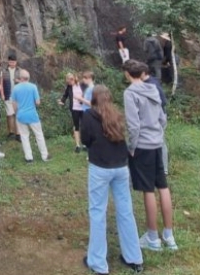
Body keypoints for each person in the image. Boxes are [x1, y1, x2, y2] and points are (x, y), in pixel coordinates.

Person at [81, 85, 144, 274]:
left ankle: (98, 264)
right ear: (109, 98)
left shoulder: (89, 116)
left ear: (93, 98)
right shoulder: (117, 115)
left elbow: (85, 140)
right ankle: (134, 258)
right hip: (121, 168)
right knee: (126, 211)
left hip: (100, 168)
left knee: (98, 213)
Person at [123, 60, 178, 252]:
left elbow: (133, 125)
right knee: (163, 186)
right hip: (157, 144)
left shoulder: (130, 93)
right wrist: (157, 135)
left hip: (143, 147)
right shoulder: (153, 89)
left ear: (128, 74)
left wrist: (132, 147)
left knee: (148, 190)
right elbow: (163, 118)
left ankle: (153, 238)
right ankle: (169, 237)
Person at [10, 69, 49, 163]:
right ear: (28, 77)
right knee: (39, 135)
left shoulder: (15, 88)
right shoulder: (33, 87)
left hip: (21, 115)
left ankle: (29, 158)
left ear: (20, 78)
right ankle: (45, 156)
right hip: (32, 115)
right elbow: (38, 102)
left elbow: (14, 103)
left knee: (24, 136)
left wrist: (16, 112)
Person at [142, 67, 169, 175]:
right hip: (154, 116)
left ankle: (163, 169)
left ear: (143, 73)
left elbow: (162, 102)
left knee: (160, 141)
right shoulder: (149, 82)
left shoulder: (152, 84)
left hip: (158, 116)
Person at [58, 72, 85, 152]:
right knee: (76, 126)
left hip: (83, 108)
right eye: (68, 81)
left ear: (75, 78)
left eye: (71, 80)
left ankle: (85, 144)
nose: (70, 82)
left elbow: (87, 94)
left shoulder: (81, 85)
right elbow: (65, 95)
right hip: (74, 109)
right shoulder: (69, 87)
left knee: (84, 126)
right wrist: (62, 101)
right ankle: (77, 145)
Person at [0, 54, 21, 141]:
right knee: (9, 114)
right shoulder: (4, 71)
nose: (12, 63)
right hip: (8, 95)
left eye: (13, 62)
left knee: (17, 115)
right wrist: (2, 94)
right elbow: (1, 84)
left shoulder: (20, 71)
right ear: (8, 62)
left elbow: (25, 81)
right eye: (11, 62)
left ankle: (18, 134)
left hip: (18, 96)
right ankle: (11, 132)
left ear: (16, 62)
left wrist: (18, 81)